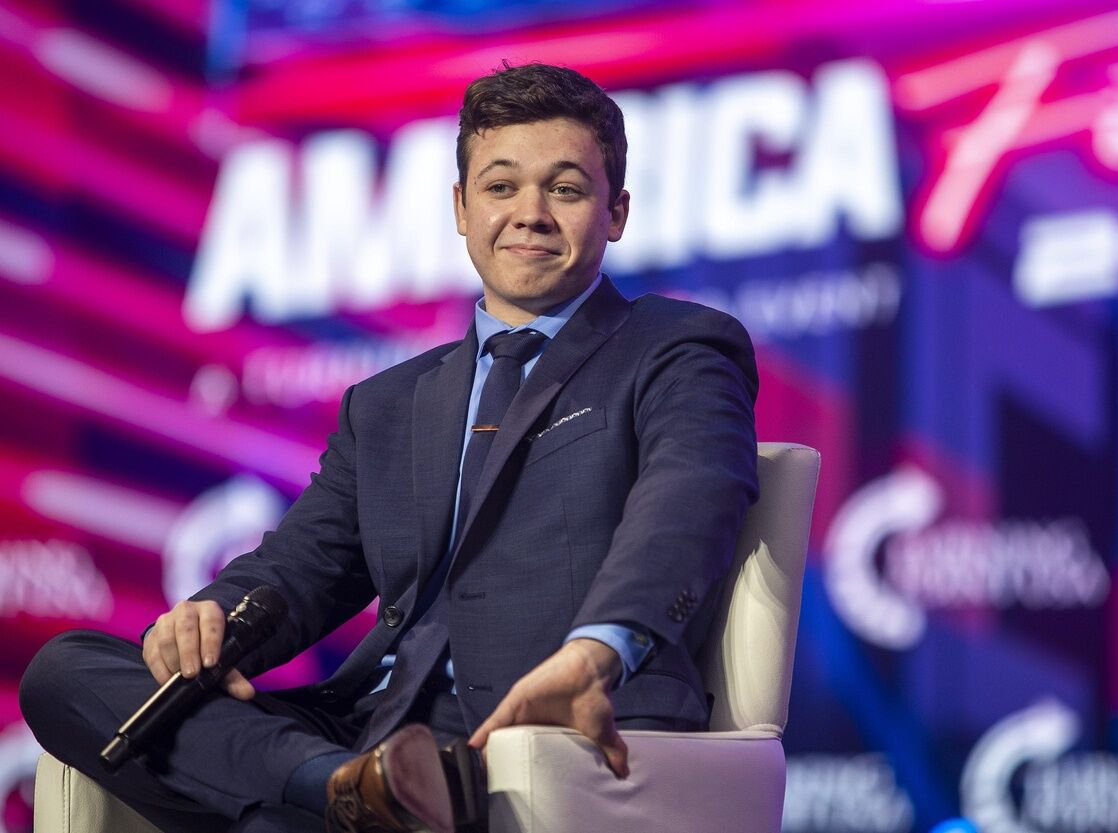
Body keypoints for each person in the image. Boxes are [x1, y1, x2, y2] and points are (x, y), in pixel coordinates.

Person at [20, 62, 758, 833]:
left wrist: (597, 651)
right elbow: (301, 567)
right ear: (461, 208)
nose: (530, 213)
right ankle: (347, 788)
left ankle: (329, 799)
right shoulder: (389, 404)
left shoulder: (675, 346)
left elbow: (689, 496)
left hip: (530, 729)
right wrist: (208, 616)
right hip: (373, 730)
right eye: (501, 187)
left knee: (264, 822)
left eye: (566, 189)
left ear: (617, 213)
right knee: (66, 671)